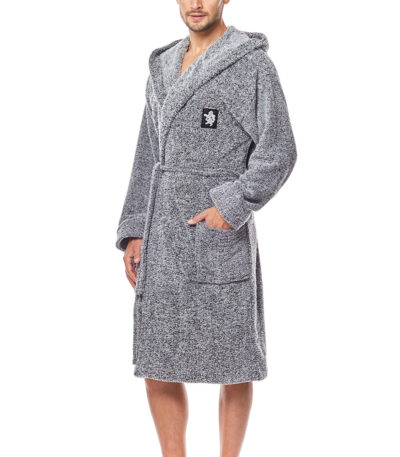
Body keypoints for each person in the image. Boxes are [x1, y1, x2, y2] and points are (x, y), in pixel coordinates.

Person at [115, 1, 297, 455]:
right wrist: (135, 229)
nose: (196, 3)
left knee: (234, 361)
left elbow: (278, 150)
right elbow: (147, 152)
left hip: (218, 234)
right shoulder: (162, 66)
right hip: (163, 233)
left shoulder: (251, 65)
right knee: (157, 359)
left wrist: (232, 205)